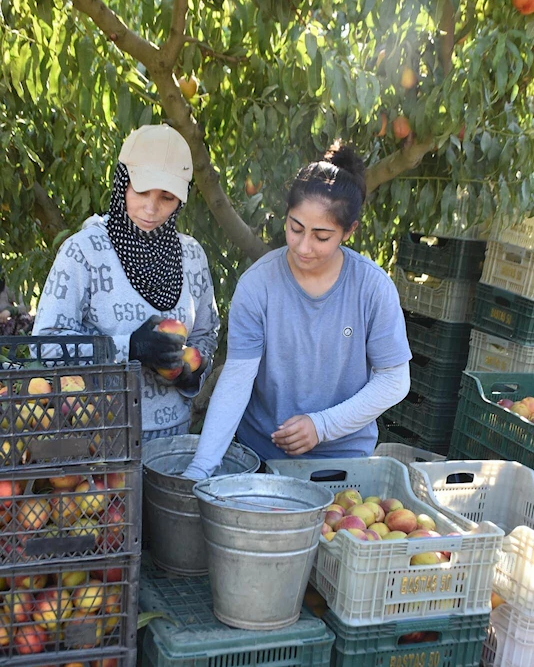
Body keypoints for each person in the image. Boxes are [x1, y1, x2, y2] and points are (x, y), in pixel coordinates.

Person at [182, 142, 411, 480]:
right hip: (260, 458)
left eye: (321, 237)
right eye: (296, 228)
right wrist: (201, 468)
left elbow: (394, 380)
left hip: (342, 466)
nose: (304, 247)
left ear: (349, 232)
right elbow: (237, 380)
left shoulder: (372, 289)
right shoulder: (258, 285)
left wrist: (323, 426)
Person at [33, 124, 219, 441]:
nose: (151, 208)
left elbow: (206, 333)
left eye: (167, 197)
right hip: (100, 436)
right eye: (141, 191)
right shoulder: (84, 252)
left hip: (172, 435)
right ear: (122, 184)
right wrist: (129, 348)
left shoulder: (191, 255)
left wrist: (191, 371)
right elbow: (46, 344)